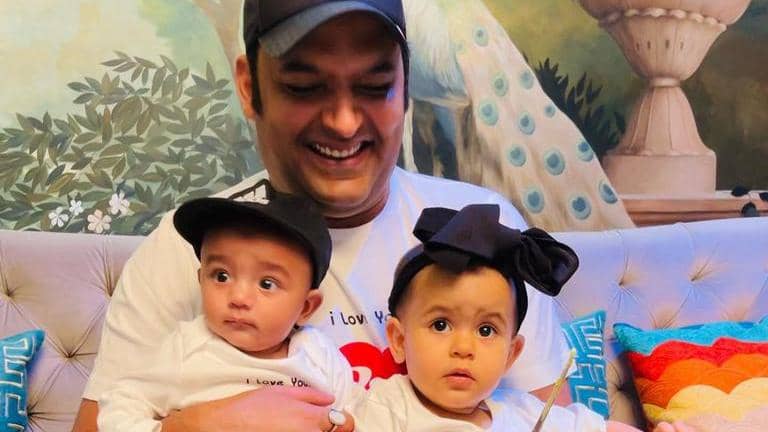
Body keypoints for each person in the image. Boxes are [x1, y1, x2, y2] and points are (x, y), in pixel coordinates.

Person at [73, 1, 575, 431]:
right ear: (249, 87)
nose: (344, 121)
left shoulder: (483, 233)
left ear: (406, 84)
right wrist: (188, 426)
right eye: (304, 86)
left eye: (375, 86)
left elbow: (545, 417)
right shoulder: (187, 246)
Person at [351, 204, 693, 432]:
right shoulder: (388, 408)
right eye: (441, 324)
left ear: (511, 355)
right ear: (399, 340)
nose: (464, 347)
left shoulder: (523, 412)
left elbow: (598, 428)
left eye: (487, 330)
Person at [98, 182, 358, 432]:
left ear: (306, 307)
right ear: (201, 281)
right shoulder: (187, 349)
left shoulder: (320, 356)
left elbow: (353, 415)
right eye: (221, 276)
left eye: (267, 284)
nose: (239, 297)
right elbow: (120, 406)